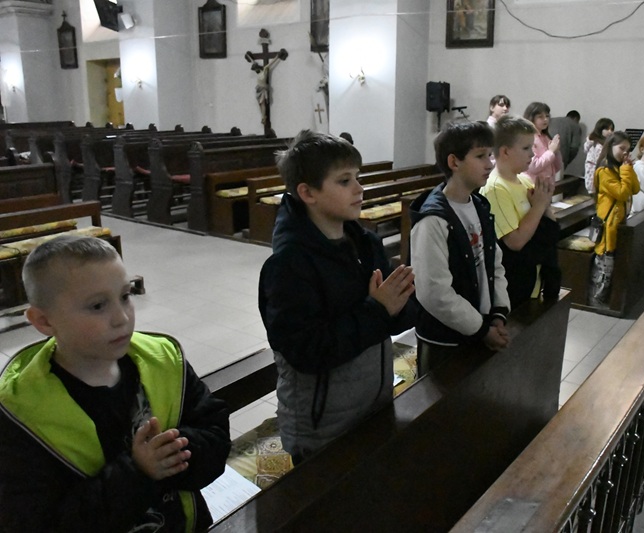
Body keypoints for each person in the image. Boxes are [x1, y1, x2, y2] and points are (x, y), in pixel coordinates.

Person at [0, 235, 230, 532]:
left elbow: (215, 433)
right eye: (97, 306)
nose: (122, 318)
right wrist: (138, 473)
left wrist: (177, 451)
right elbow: (36, 522)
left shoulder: (162, 360)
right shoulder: (20, 410)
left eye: (125, 296)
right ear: (44, 321)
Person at [258, 130, 416, 464]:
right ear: (308, 192)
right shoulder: (288, 266)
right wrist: (378, 310)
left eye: (358, 178)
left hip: (373, 402)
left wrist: (402, 304)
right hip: (321, 426)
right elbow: (307, 351)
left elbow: (391, 317)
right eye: (345, 181)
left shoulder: (365, 244)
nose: (359, 189)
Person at [410, 121, 511, 373]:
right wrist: (480, 329)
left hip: (479, 328)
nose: (490, 163)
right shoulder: (433, 220)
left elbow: (493, 263)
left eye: (490, 155)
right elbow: (434, 292)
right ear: (454, 162)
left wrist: (498, 313)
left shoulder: (479, 206)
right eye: (480, 156)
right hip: (445, 340)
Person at [480, 115, 559, 308]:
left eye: (532, 147)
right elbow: (515, 242)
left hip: (534, 279)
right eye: (526, 148)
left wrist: (544, 204)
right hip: (513, 285)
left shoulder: (523, 179)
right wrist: (539, 206)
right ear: (505, 151)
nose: (532, 154)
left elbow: (549, 225)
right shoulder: (495, 188)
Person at [588, 131, 640, 307]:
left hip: (618, 222)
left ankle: (603, 300)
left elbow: (635, 189)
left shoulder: (620, 168)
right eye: (621, 148)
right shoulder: (604, 170)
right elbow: (622, 193)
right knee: (605, 267)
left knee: (611, 266)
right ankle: (595, 300)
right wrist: (626, 170)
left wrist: (629, 169)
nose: (625, 153)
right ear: (610, 147)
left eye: (628, 149)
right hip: (607, 225)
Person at [523, 102, 563, 184]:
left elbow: (556, 167)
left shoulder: (546, 136)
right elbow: (533, 167)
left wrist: (556, 151)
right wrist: (551, 151)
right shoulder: (527, 138)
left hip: (547, 184)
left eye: (547, 116)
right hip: (533, 185)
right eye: (540, 117)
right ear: (531, 118)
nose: (545, 119)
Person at [583, 117, 615, 193]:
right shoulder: (596, 143)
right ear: (600, 129)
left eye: (612, 129)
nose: (610, 132)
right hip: (595, 172)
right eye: (607, 129)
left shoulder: (606, 142)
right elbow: (600, 160)